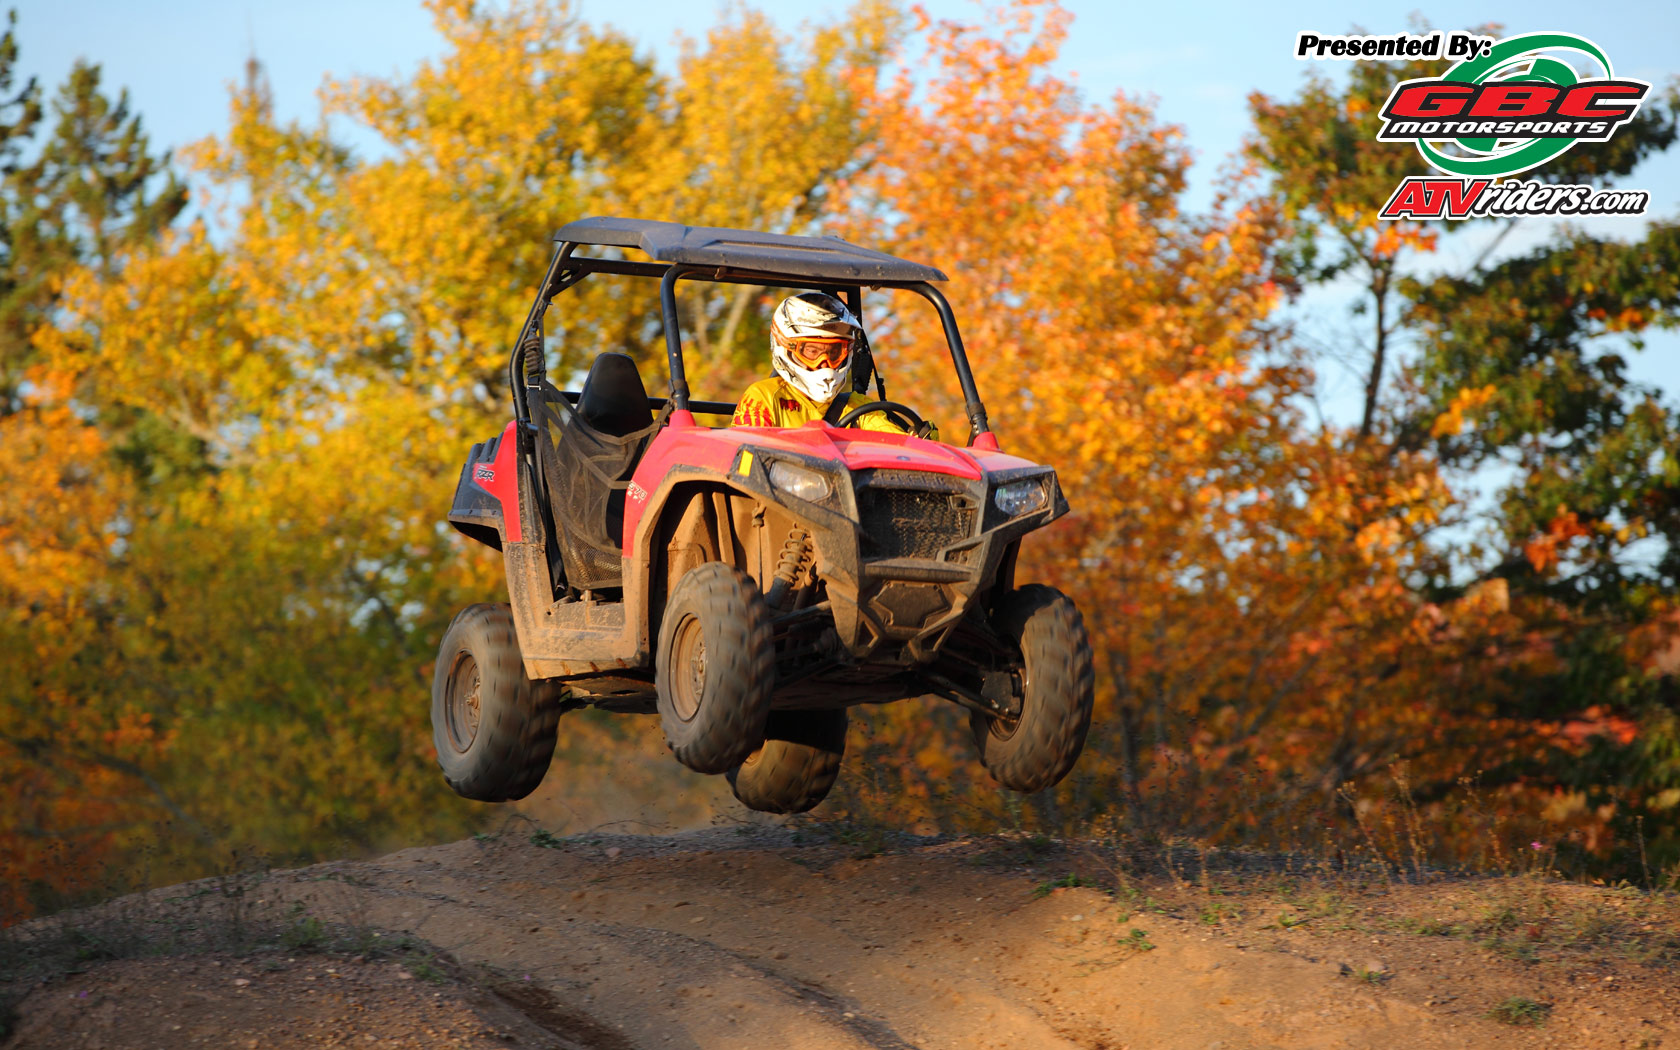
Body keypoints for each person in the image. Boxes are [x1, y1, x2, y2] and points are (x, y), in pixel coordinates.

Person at [731, 292, 908, 433]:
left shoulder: (858, 408)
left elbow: (901, 449)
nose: (825, 363)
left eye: (833, 352)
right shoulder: (764, 398)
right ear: (786, 348)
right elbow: (750, 462)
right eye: (813, 351)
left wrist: (922, 440)